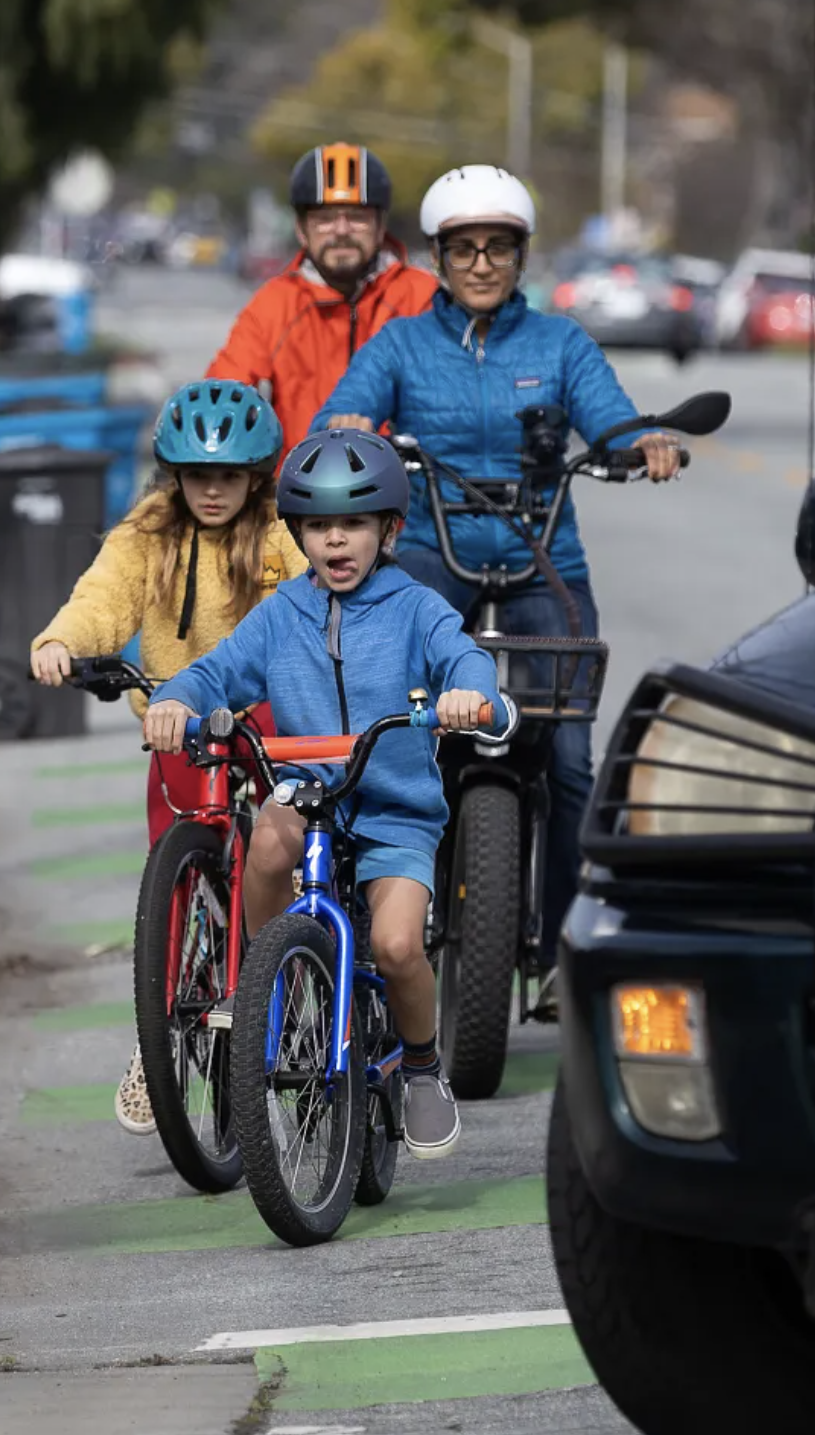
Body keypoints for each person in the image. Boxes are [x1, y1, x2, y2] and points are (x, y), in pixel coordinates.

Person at [317, 165, 685, 1013]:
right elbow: (346, 408)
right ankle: (366, 924)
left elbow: (613, 419)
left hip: (543, 559)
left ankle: (562, 944)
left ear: (521, 256)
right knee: (387, 736)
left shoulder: (560, 344)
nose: (481, 263)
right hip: (431, 554)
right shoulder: (404, 344)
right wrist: (342, 427)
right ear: (439, 258)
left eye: (499, 248)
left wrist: (647, 442)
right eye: (463, 249)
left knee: (567, 757)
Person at [143, 429, 506, 1160]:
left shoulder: (415, 608)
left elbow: (463, 655)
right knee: (269, 836)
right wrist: (176, 701)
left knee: (397, 944)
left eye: (353, 525)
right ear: (298, 533)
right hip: (310, 793)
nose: (335, 542)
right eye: (317, 527)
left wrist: (471, 693)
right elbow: (217, 672)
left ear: (389, 530)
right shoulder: (282, 614)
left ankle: (424, 1069)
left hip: (396, 806)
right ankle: (273, 984)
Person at [30, 379, 310, 1136]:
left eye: (228, 475)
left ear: (258, 476)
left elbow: (321, 597)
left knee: (281, 852)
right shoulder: (146, 535)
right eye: (196, 475)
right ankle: (160, 1040)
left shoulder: (285, 532)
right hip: (178, 727)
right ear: (172, 475)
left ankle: (287, 987)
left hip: (269, 724)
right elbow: (102, 599)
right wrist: (63, 642)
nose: (212, 491)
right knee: (175, 881)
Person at [206, 143, 439, 461]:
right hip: (296, 498)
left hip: (406, 499)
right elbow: (223, 397)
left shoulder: (422, 295)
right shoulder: (274, 304)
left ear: (381, 225)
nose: (341, 230)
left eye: (357, 217)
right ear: (301, 229)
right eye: (325, 218)